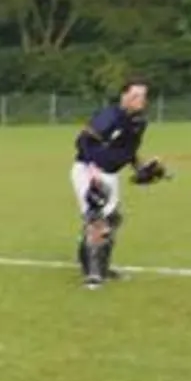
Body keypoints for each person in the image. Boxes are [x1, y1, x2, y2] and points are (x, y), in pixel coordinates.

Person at [71, 80, 150, 287]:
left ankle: (101, 266)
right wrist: (93, 172)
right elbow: (83, 141)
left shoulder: (138, 122)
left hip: (111, 173)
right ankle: (93, 275)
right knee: (97, 218)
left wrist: (139, 167)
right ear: (124, 96)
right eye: (135, 95)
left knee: (113, 219)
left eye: (143, 96)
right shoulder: (110, 116)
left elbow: (128, 150)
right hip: (89, 169)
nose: (139, 100)